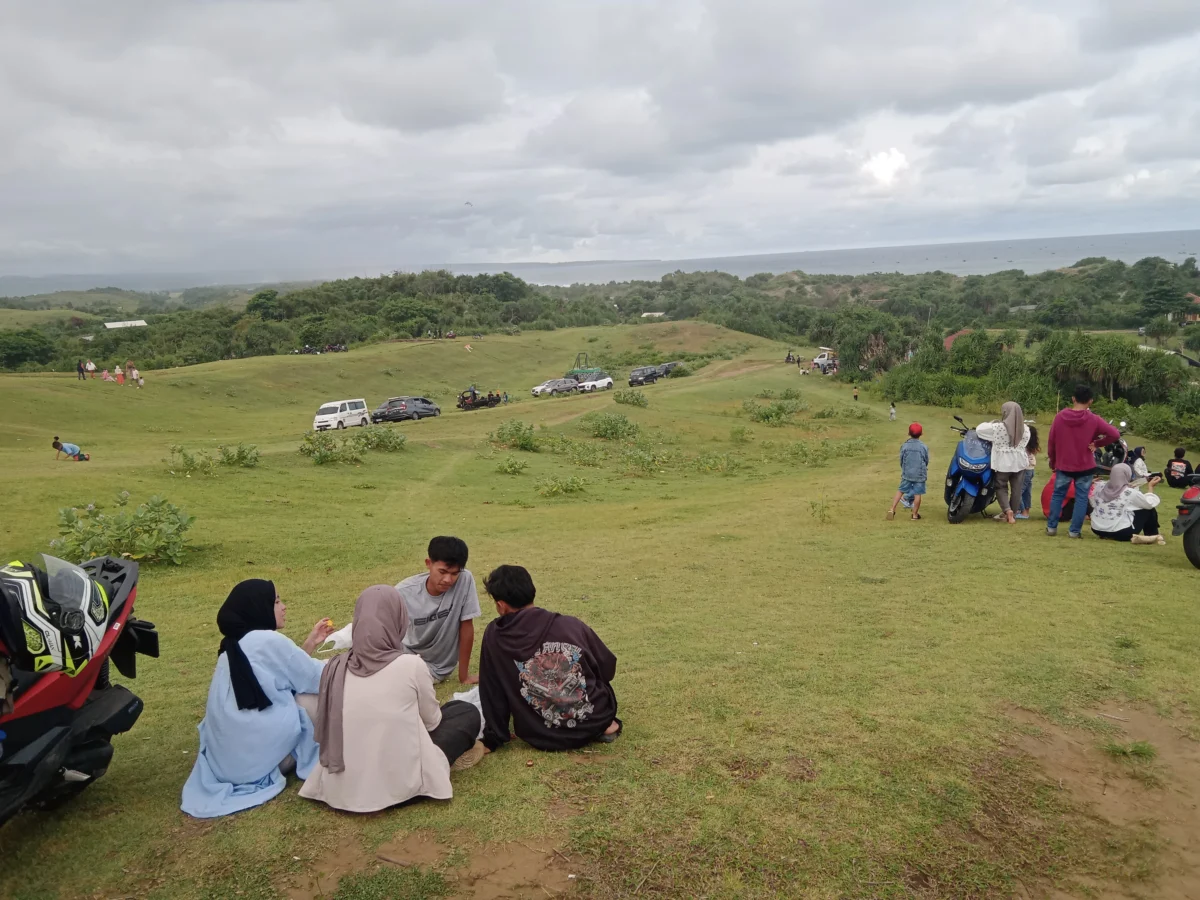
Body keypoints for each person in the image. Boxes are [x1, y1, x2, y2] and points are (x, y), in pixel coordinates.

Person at [300, 585, 485, 814]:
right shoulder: (410, 665)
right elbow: (432, 722)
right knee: (464, 712)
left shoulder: (334, 667)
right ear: (399, 619)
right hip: (401, 788)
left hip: (339, 790)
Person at [180, 580, 335, 818]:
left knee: (301, 692)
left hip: (229, 764)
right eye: (276, 601)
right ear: (258, 607)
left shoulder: (233, 646)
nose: (283, 607)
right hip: (265, 762)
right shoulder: (267, 641)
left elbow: (282, 673)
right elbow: (317, 678)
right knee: (312, 697)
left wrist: (310, 643)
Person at [478, 565, 620, 752]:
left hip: (542, 734)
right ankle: (603, 726)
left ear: (501, 605)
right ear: (532, 592)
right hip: (595, 719)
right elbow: (607, 667)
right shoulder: (570, 625)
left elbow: (492, 690)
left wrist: (494, 736)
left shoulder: (494, 636)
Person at [396, 536, 482, 684]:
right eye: (442, 572)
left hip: (435, 668)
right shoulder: (403, 592)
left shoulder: (465, 579)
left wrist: (464, 677)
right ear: (428, 563)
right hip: (403, 654)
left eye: (455, 573)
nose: (448, 579)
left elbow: (467, 625)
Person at [1046, 386, 1121, 538]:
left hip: (1064, 464)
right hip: (1085, 466)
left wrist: (1053, 461)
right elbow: (1114, 434)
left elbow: (1052, 441)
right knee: (1081, 498)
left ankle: (1051, 528)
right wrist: (1097, 444)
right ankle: (1074, 531)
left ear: (1073, 398)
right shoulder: (1094, 419)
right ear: (1090, 401)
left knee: (1058, 495)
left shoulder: (1060, 417)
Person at [975, 402, 1031, 525]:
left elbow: (979, 430)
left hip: (1003, 462)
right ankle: (1014, 512)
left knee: (1001, 486)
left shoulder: (998, 428)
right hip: (1020, 462)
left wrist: (992, 423)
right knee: (1017, 489)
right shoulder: (1026, 429)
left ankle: (1007, 510)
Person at [1088, 464, 1165, 545]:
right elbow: (1149, 503)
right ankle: (1152, 534)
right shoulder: (1129, 492)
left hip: (1097, 529)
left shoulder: (1099, 486)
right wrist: (1150, 487)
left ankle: (1106, 532)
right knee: (1148, 509)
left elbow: (1093, 502)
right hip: (1121, 532)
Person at [887, 423, 928, 521]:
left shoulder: (905, 446)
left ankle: (892, 509)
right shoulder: (923, 446)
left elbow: (901, 459)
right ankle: (914, 515)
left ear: (909, 433)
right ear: (921, 434)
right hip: (920, 474)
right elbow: (926, 459)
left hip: (907, 473)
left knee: (900, 490)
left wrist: (904, 468)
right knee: (917, 494)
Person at [1016, 425, 1040, 520]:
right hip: (1030, 470)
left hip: (1025, 470)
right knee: (1027, 492)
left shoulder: (1024, 446)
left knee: (1018, 491)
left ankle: (1022, 511)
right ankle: (1026, 510)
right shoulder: (1032, 445)